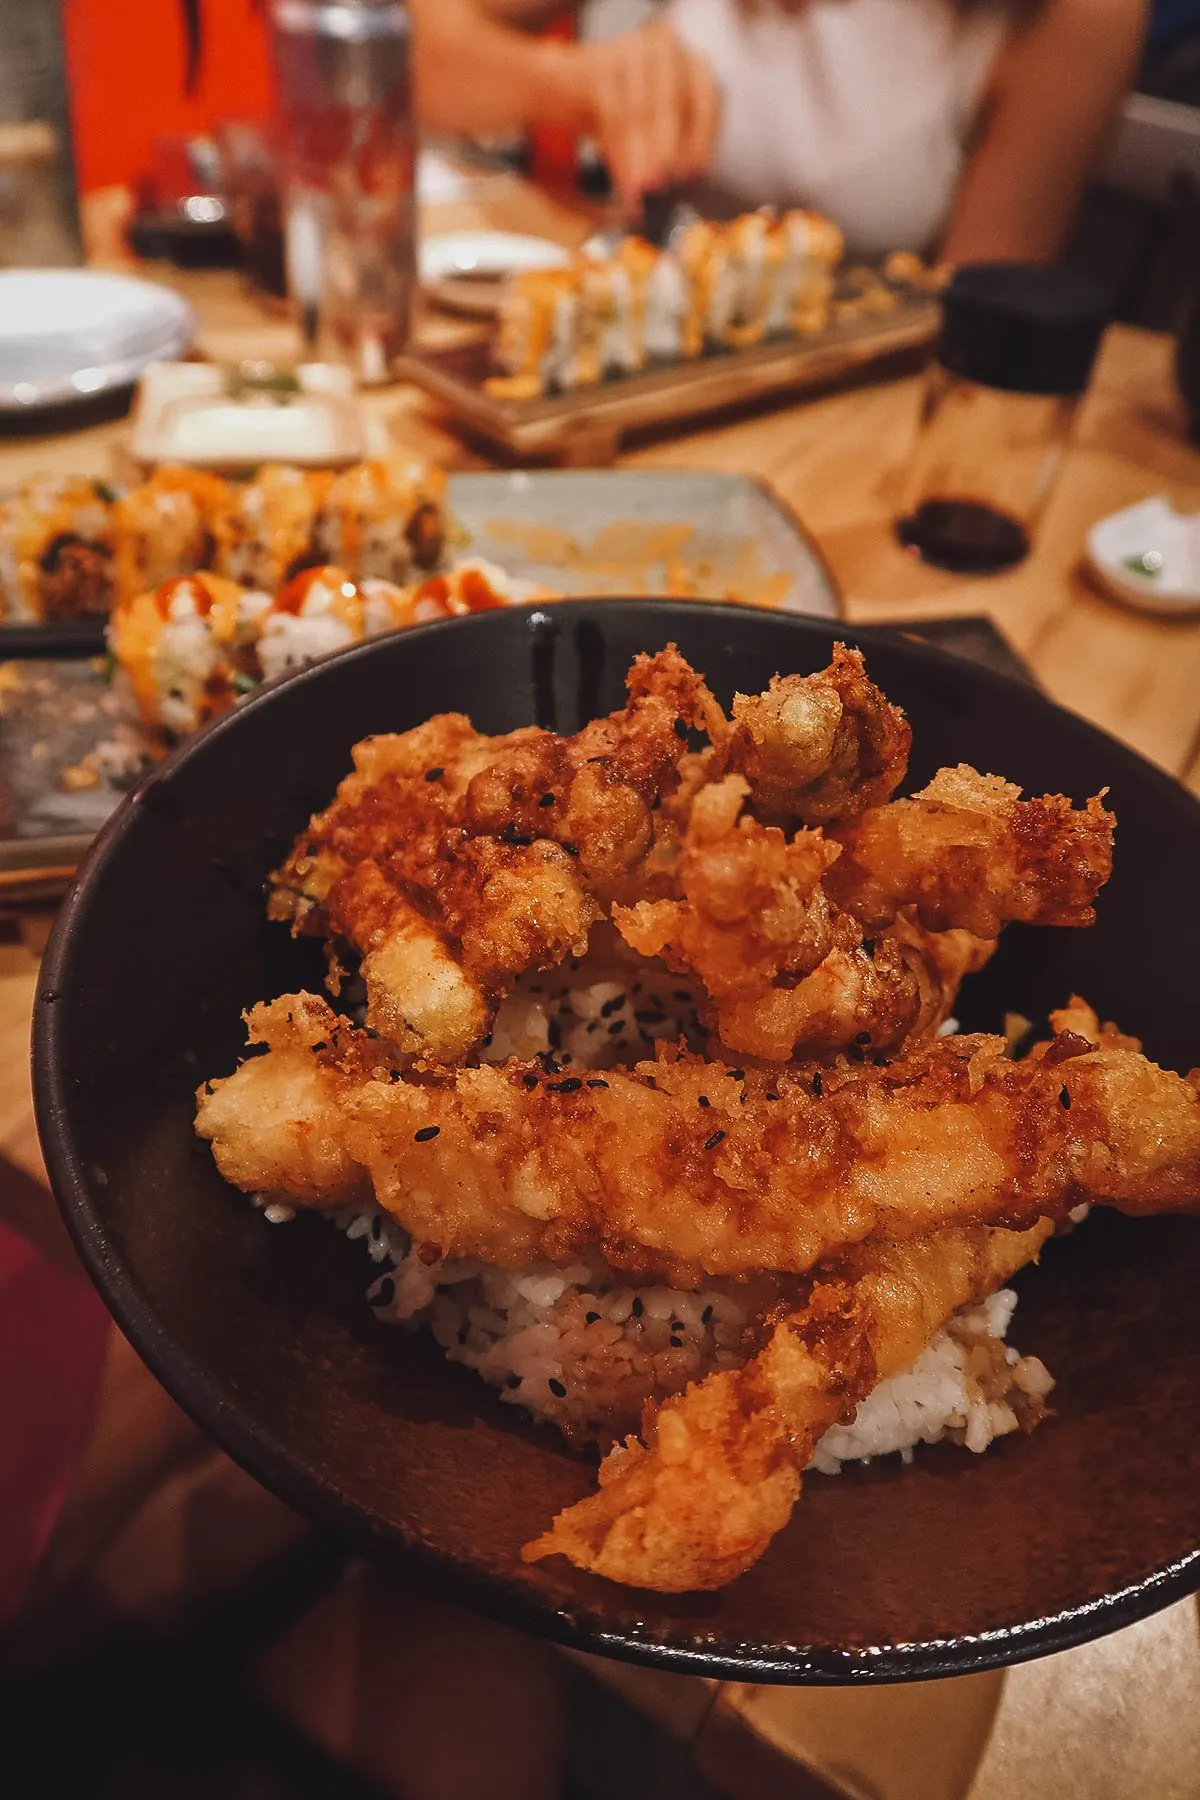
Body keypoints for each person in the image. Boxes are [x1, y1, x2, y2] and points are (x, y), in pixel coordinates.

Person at [412, 0, 1150, 261]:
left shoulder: (1077, 16)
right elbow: (408, 46)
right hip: (638, 372)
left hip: (847, 433)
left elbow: (980, 339)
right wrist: (569, 83)